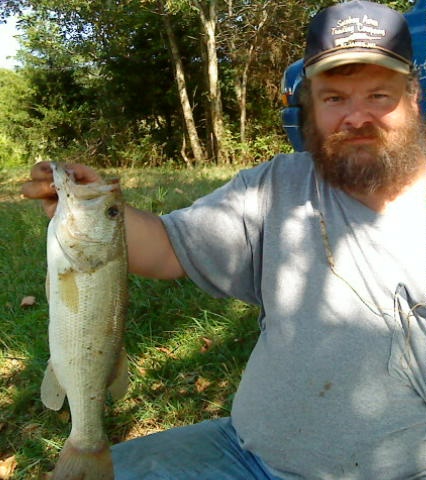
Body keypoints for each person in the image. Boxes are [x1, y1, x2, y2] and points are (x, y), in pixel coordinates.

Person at [21, 0, 426, 478]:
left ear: (413, 98)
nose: (356, 117)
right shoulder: (276, 186)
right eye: (334, 98)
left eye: (379, 95)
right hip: (245, 451)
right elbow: (168, 246)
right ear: (311, 107)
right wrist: (94, 213)